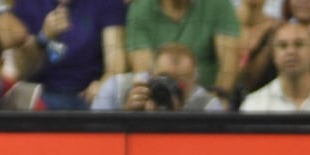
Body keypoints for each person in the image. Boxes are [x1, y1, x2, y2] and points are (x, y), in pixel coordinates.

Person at [91, 41, 223, 111]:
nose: (171, 88)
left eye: (180, 83)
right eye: (165, 78)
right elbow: (96, 139)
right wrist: (129, 115)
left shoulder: (209, 106)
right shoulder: (116, 88)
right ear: (150, 74)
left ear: (195, 81)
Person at [238, 20, 310, 112]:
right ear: (273, 54)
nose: (291, 51)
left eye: (299, 44)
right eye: (283, 46)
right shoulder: (255, 104)